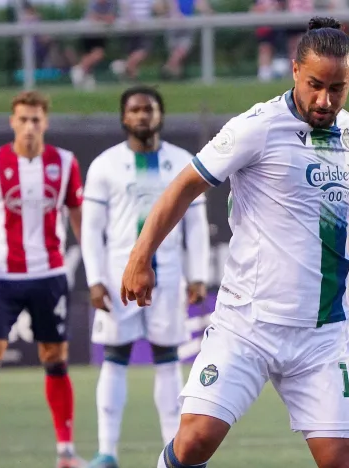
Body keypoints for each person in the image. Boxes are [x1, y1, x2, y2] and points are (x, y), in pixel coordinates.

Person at [120, 17, 349, 468]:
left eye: (338, 87)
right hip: (248, 324)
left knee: (343, 461)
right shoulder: (256, 127)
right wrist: (141, 256)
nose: (325, 99)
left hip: (322, 332)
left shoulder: (346, 130)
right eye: (315, 84)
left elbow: (330, 192)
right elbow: (184, 186)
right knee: (195, 441)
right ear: (294, 70)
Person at [81, 86, 210, 468]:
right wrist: (93, 279)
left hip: (168, 275)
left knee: (168, 357)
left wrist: (198, 274)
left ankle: (173, 450)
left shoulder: (183, 161)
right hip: (117, 274)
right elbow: (91, 229)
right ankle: (107, 452)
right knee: (115, 356)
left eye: (149, 110)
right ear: (124, 117)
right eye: (135, 110)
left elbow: (197, 225)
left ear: (160, 115)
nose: (142, 116)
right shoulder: (104, 165)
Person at [0, 91, 86, 468]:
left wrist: (96, 260)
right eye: (23, 119)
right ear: (12, 122)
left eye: (36, 119)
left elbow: (77, 216)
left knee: (54, 357)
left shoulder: (65, 163)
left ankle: (66, 451)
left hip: (49, 274)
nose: (29, 126)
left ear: (46, 122)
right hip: (2, 275)